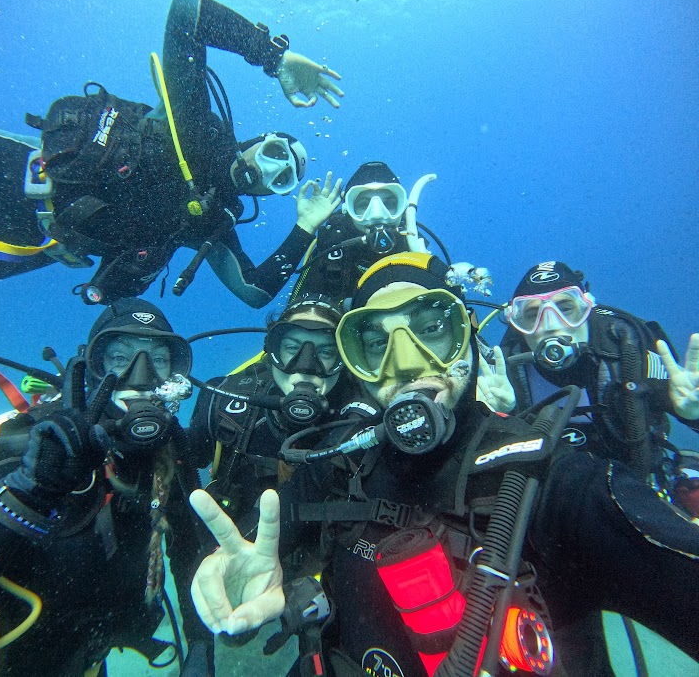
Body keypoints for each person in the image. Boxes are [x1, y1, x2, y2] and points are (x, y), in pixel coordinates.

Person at [187, 252, 699, 677]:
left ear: (470, 343)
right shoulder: (335, 465)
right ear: (358, 368)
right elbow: (262, 549)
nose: (405, 362)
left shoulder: (551, 485)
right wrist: (239, 575)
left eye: (432, 328)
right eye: (375, 342)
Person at [0, 0, 344, 306]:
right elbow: (188, 10)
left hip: (40, 240)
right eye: (272, 154)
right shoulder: (198, 128)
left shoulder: (213, 222)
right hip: (21, 169)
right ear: (249, 144)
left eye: (283, 179)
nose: (269, 173)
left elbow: (254, 292)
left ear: (271, 196)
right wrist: (274, 56)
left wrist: (305, 227)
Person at [0, 298, 214, 676]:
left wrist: (199, 645)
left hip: (84, 660)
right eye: (119, 358)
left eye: (158, 360)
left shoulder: (168, 455)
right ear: (92, 368)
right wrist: (32, 490)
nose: (141, 376)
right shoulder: (40, 448)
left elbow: (185, 551)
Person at [500, 261, 699, 505]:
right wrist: (489, 413)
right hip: (549, 501)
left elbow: (689, 409)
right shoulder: (505, 369)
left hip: (637, 492)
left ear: (587, 308)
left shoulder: (627, 352)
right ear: (516, 323)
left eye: (565, 307)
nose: (551, 325)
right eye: (531, 315)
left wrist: (692, 414)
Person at [189, 294, 351, 522]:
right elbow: (182, 471)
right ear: (273, 351)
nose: (305, 367)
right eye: (292, 348)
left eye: (325, 352)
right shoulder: (224, 401)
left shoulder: (361, 418)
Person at [290, 161, 492, 304]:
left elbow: (452, 309)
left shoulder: (413, 246)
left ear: (403, 208)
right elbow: (298, 313)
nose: (377, 214)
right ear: (347, 210)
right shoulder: (332, 248)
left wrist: (433, 268)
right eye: (362, 204)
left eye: (389, 203)